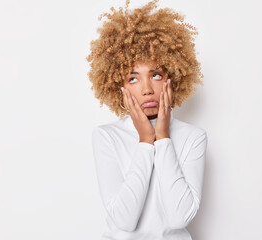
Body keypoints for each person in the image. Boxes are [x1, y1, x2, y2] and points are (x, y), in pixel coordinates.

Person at [87, 0, 208, 239]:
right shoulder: (107, 136)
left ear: (172, 78)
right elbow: (124, 221)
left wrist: (162, 138)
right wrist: (145, 141)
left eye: (155, 75)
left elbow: (179, 217)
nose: (146, 89)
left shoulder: (193, 137)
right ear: (118, 85)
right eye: (133, 79)